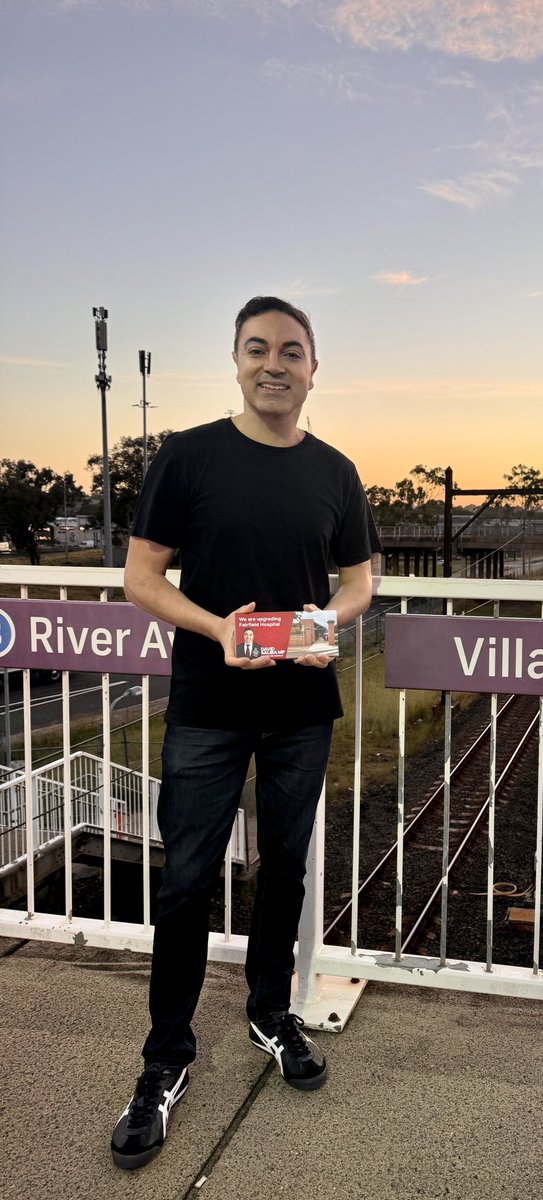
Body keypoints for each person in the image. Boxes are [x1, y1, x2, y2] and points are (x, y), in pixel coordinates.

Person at [111, 296, 379, 1170]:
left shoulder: (337, 471)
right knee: (186, 881)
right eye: (258, 349)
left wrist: (326, 620)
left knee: (286, 870)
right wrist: (219, 629)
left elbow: (360, 581)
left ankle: (270, 1012)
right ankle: (165, 1061)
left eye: (291, 351)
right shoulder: (187, 457)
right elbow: (141, 579)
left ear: (313, 369)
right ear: (235, 360)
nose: (275, 364)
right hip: (207, 708)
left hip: (302, 708)